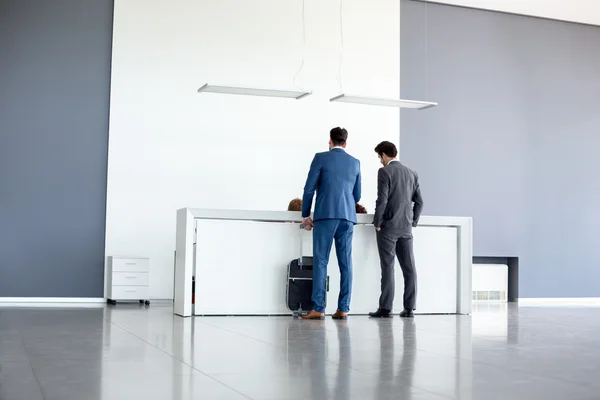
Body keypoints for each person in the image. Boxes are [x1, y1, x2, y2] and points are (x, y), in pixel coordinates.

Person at [300, 127, 361, 320]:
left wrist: (305, 215)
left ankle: (318, 308)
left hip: (325, 215)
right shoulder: (355, 162)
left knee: (321, 260)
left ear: (330, 141)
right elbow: (357, 194)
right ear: (345, 143)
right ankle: (343, 308)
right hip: (347, 217)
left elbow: (309, 189)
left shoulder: (320, 158)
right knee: (346, 264)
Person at [369, 141, 423, 318]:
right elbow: (420, 201)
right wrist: (412, 221)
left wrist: (377, 222)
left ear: (385, 155)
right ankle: (409, 308)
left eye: (379, 157)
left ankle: (385, 308)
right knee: (409, 268)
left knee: (388, 267)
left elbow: (382, 200)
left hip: (388, 228)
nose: (380, 161)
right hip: (406, 228)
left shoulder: (384, 172)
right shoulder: (412, 173)